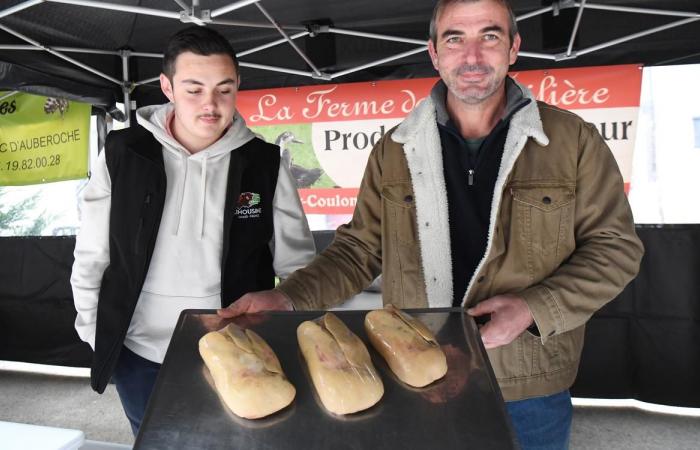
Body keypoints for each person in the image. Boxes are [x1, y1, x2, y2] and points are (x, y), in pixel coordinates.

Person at [220, 0, 644, 447]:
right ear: (434, 52)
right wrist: (287, 297)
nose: (473, 55)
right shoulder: (395, 149)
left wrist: (532, 308)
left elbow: (615, 248)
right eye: (455, 38)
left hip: (527, 381)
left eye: (490, 36)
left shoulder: (571, 141)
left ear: (514, 47)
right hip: (416, 370)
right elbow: (359, 250)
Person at [70, 26, 315, 435]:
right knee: (156, 443)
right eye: (193, 88)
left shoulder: (264, 163)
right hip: (140, 353)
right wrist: (96, 333)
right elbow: (93, 252)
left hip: (241, 351)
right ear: (166, 86)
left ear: (238, 85)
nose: (210, 104)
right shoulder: (123, 153)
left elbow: (299, 266)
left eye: (223, 89)